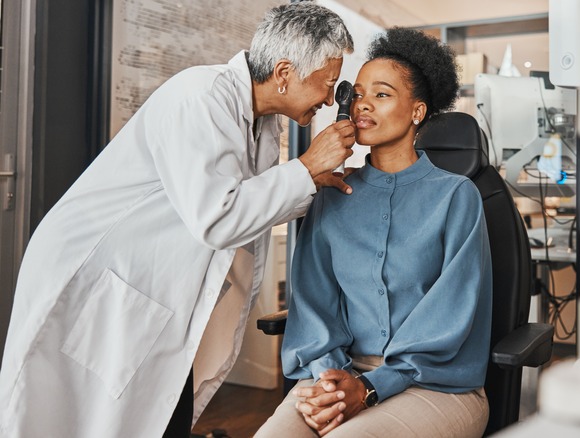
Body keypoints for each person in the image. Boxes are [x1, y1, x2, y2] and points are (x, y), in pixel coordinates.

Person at [0, 3, 356, 437]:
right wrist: (304, 167)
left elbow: (254, 204)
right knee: (73, 417)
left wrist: (313, 180)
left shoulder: (262, 124)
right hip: (98, 277)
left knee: (154, 409)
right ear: (284, 73)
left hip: (145, 287)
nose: (327, 98)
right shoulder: (201, 97)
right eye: (327, 84)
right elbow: (218, 217)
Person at [255, 27, 493, 438]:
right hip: (337, 373)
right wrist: (330, 380)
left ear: (417, 112)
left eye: (381, 95)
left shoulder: (457, 197)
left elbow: (449, 319)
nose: (362, 105)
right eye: (358, 93)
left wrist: (367, 388)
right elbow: (314, 304)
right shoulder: (330, 193)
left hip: (433, 383)